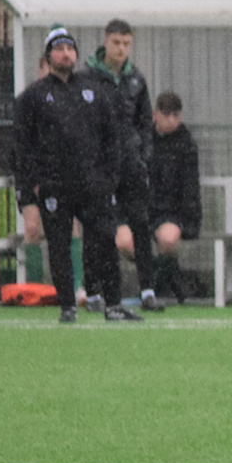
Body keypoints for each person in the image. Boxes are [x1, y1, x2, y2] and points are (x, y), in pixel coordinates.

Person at [11, 26, 140, 323]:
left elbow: (112, 136)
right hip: (55, 187)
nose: (66, 53)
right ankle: (68, 305)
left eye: (70, 48)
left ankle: (114, 305)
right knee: (59, 246)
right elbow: (23, 147)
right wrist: (32, 188)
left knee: (105, 242)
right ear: (48, 55)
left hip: (93, 185)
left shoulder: (94, 89)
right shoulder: (33, 97)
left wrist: (110, 177)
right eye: (59, 48)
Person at [92, 19, 165, 312]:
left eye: (126, 44)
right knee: (101, 228)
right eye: (117, 43)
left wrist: (143, 157)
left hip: (131, 166)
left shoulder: (137, 79)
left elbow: (145, 123)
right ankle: (100, 291)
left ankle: (147, 290)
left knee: (140, 224)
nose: (121, 49)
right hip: (101, 167)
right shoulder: (90, 78)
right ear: (106, 41)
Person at [147, 92, 202, 302]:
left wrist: (188, 218)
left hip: (172, 213)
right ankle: (170, 279)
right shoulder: (144, 140)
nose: (171, 120)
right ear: (155, 115)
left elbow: (189, 188)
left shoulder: (186, 143)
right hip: (142, 210)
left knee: (168, 239)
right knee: (125, 242)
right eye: (166, 114)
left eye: (175, 115)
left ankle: (159, 287)